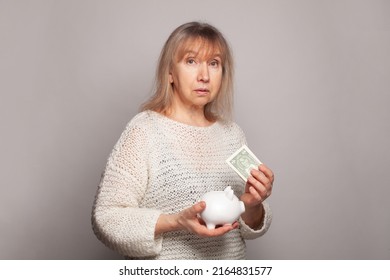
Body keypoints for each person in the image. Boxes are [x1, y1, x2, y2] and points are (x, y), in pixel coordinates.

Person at [91, 21, 274, 260]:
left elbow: (247, 227)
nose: (204, 76)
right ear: (170, 73)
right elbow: (106, 218)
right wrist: (177, 222)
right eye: (191, 61)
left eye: (214, 63)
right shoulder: (145, 130)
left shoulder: (232, 134)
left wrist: (252, 205)